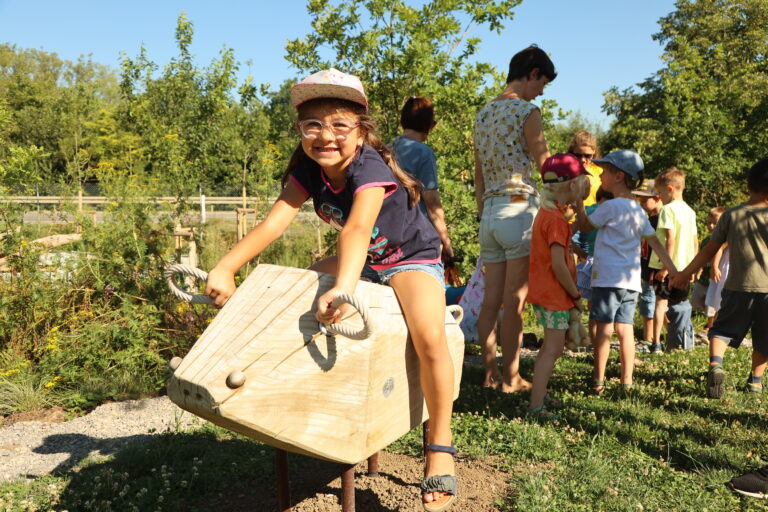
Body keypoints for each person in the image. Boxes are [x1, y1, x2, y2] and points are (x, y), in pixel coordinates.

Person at [204, 69, 459, 511]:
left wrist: (344, 289)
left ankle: (440, 443)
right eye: (313, 125)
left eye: (340, 125)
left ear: (361, 130)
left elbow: (358, 229)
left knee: (431, 337)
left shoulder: (370, 166)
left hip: (408, 256)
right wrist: (226, 267)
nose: (326, 135)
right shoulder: (308, 167)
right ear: (300, 130)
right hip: (361, 259)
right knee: (292, 290)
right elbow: (275, 222)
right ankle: (298, 393)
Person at [473, 45, 555, 391]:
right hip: (519, 209)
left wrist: (482, 214)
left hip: (489, 214)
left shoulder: (483, 115)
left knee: (490, 302)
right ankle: (511, 378)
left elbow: (479, 174)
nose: (541, 91)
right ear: (533, 73)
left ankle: (489, 374)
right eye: (543, 83)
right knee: (515, 301)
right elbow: (545, 166)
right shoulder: (526, 112)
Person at [574, 150, 677, 392]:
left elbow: (586, 225)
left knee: (604, 328)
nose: (601, 177)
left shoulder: (610, 207)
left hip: (608, 279)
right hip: (630, 282)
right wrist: (673, 269)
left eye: (605, 172)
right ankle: (626, 381)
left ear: (619, 176)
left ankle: (598, 380)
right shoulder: (637, 210)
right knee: (625, 328)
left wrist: (579, 203)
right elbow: (655, 244)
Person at [670, 157, 768, 401]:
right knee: (765, 337)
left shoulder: (732, 215)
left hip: (737, 287)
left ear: (748, 186)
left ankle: (716, 365)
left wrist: (684, 273)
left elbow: (709, 249)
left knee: (721, 329)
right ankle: (756, 383)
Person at [527, 154, 590, 416]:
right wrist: (575, 294)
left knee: (548, 349)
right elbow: (558, 265)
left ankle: (538, 395)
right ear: (573, 185)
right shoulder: (556, 221)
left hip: (545, 291)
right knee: (552, 350)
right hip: (554, 294)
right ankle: (536, 406)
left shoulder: (548, 213)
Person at [390, 96, 455, 263]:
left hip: (387, 235)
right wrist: (445, 241)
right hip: (416, 237)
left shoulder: (386, 148)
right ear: (429, 125)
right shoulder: (423, 152)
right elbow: (432, 202)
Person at [648, 167, 699, 353]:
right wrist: (695, 268)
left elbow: (671, 239)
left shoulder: (667, 210)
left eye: (659, 192)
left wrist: (664, 268)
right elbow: (695, 241)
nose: (658, 196)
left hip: (668, 266)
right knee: (679, 304)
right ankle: (680, 341)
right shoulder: (690, 211)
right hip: (685, 268)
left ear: (669, 188)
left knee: (660, 303)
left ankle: (656, 343)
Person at [572, 186, 613, 343]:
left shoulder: (588, 211)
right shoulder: (615, 210)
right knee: (607, 307)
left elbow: (567, 236)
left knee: (593, 307)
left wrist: (583, 254)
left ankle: (594, 344)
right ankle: (601, 345)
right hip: (611, 264)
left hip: (592, 263)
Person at [632, 179, 662, 351]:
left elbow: (659, 248)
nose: (641, 204)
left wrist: (654, 270)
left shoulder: (659, 219)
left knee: (649, 303)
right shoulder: (650, 218)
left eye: (644, 200)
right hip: (645, 266)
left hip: (653, 269)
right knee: (649, 302)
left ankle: (648, 339)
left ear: (657, 198)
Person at [704, 207, 729, 330]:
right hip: (719, 270)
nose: (712, 226)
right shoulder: (712, 238)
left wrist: (714, 267)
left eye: (715, 223)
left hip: (723, 270)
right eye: (709, 223)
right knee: (714, 301)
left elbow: (718, 249)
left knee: (719, 300)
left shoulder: (726, 236)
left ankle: (717, 327)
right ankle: (712, 327)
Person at [567, 129, 603, 207]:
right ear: (572, 152)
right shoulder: (564, 171)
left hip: (592, 218)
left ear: (594, 153)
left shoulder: (601, 172)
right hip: (567, 219)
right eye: (578, 155)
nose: (582, 160)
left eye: (587, 156)